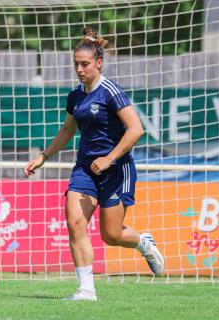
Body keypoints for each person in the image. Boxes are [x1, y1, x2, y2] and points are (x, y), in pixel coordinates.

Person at [24, 28, 164, 301]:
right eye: (76, 64)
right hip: (85, 169)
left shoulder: (111, 91)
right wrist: (43, 157)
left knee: (111, 235)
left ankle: (143, 243)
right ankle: (86, 290)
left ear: (98, 63)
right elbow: (67, 131)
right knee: (75, 221)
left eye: (85, 64)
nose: (79, 69)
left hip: (116, 170)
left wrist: (109, 159)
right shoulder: (75, 96)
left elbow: (136, 129)